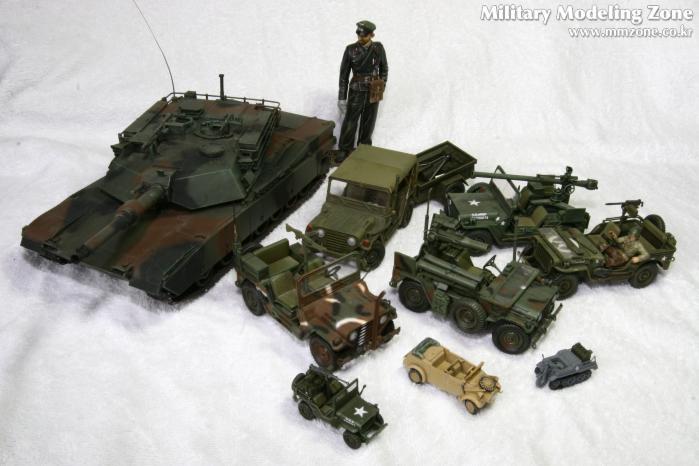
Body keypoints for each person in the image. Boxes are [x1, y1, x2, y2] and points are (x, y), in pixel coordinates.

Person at [336, 20, 388, 162]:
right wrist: (342, 97)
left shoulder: (378, 48)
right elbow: (343, 76)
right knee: (350, 120)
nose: (360, 37)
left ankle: (364, 147)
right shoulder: (350, 50)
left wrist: (381, 85)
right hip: (356, 90)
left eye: (363, 35)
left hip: (373, 90)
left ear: (372, 35)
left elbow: (384, 68)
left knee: (369, 120)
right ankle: (344, 148)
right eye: (358, 34)